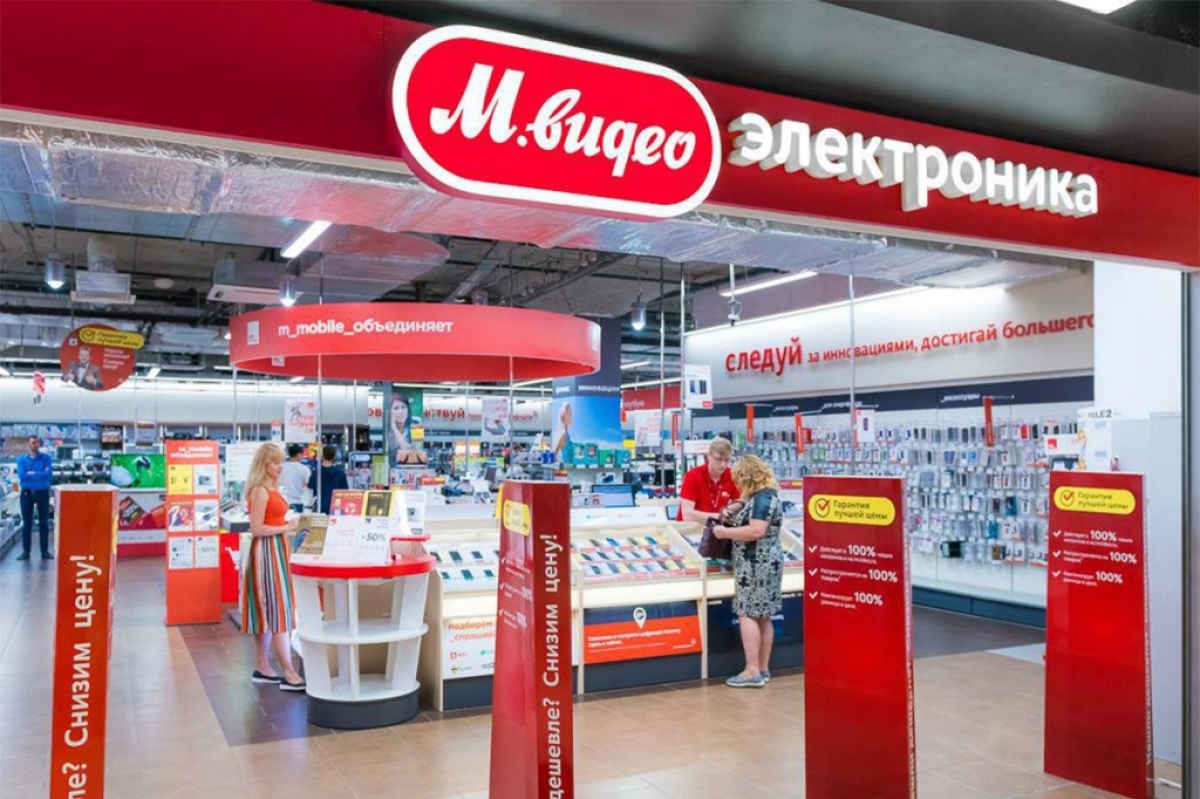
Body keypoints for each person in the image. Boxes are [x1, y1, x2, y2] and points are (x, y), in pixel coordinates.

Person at [713, 455, 785, 688]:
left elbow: (756, 531)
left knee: (747, 613)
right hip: (768, 561)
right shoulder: (766, 495)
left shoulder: (762, 499)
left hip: (755, 563)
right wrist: (736, 505)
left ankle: (751, 671)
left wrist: (725, 533)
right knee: (763, 615)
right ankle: (762, 668)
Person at [240, 443, 305, 691]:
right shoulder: (260, 491)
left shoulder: (270, 489)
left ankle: (263, 666)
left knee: (268, 609)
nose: (280, 467)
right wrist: (287, 527)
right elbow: (257, 528)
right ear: (264, 464)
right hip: (268, 552)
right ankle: (288, 672)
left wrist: (286, 525)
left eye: (281, 462)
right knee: (277, 609)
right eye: (275, 462)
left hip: (275, 549)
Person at [676, 437, 740, 523]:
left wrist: (728, 509)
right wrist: (718, 517)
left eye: (726, 460)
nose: (723, 464)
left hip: (715, 527)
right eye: (718, 459)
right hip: (689, 528)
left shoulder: (731, 475)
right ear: (709, 456)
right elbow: (687, 515)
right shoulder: (693, 476)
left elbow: (740, 502)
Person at [16, 436, 53, 560]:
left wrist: (32, 474)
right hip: (27, 494)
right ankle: (26, 552)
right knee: (27, 523)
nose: (36, 444)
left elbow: (48, 474)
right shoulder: (21, 459)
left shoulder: (46, 458)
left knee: (44, 523)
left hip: (42, 493)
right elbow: (22, 475)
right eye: (33, 442)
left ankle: (45, 551)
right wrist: (39, 474)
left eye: (37, 442)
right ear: (28, 443)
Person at [309, 445, 349, 515]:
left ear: (322, 456)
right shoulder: (340, 473)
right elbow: (345, 492)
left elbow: (310, 490)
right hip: (336, 507)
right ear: (334, 457)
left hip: (319, 507)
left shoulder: (316, 473)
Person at [390, 393, 428, 465]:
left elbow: (414, 450)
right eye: (396, 408)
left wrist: (395, 429)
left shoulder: (417, 423)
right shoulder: (387, 426)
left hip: (411, 467)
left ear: (408, 409)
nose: (400, 412)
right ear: (390, 412)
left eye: (403, 407)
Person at [280, 444, 311, 513]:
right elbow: (309, 486)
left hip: (283, 501)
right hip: (298, 502)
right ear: (298, 455)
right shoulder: (304, 469)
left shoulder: (281, 468)